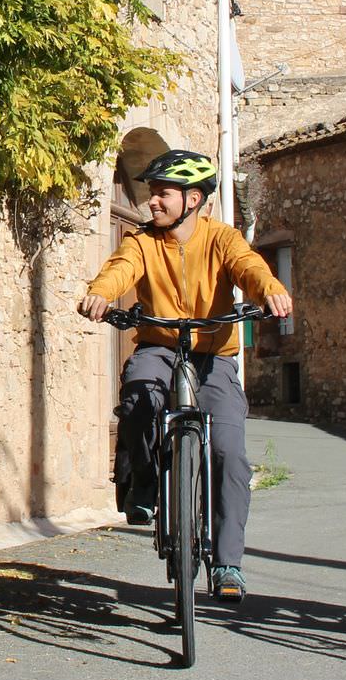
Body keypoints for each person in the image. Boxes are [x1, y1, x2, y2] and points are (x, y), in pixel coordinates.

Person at [76, 149, 292, 604]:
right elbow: (119, 271)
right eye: (152, 193)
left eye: (162, 194)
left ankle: (228, 561)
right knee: (138, 393)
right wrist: (100, 294)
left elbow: (248, 267)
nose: (152, 202)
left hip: (214, 356)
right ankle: (145, 484)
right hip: (160, 346)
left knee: (230, 454)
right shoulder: (141, 242)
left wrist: (270, 289)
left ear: (193, 199)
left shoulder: (223, 239)